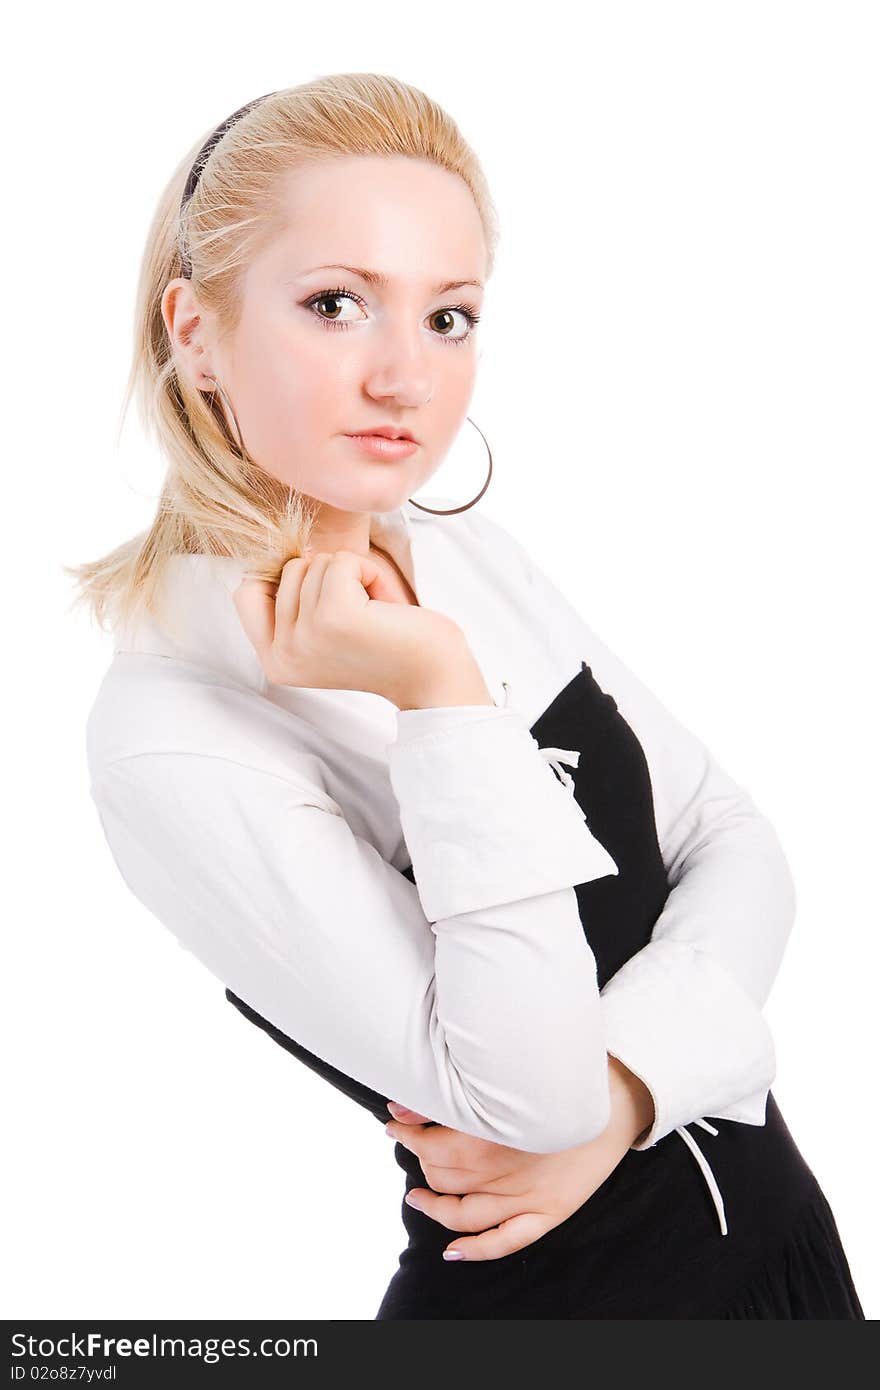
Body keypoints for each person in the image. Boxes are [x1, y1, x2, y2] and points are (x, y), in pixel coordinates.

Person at [68, 73, 865, 1319]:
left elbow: (738, 845)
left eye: (449, 317)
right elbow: (524, 1095)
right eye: (336, 305)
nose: (406, 378)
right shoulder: (173, 737)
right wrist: (438, 694)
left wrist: (630, 1096)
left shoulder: (463, 554)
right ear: (196, 330)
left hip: (787, 1262)